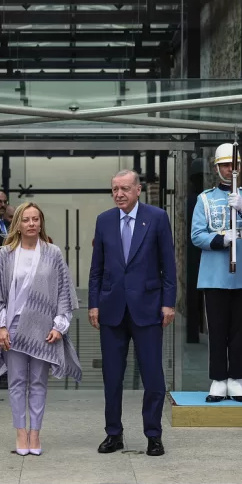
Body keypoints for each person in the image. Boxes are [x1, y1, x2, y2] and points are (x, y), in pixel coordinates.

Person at [88, 169, 176, 457]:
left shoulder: (157, 218)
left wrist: (168, 302)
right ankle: (114, 434)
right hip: (112, 310)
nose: (119, 194)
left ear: (138, 190)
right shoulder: (104, 221)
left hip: (148, 308)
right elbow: (96, 269)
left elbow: (168, 265)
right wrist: (93, 304)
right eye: (114, 189)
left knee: (153, 378)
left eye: (125, 188)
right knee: (112, 378)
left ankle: (153, 435)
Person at [0, 203, 81, 455]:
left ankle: (35, 434)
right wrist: (0, 327)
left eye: (35, 219)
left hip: (43, 327)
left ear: (41, 222)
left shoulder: (53, 253)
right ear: (17, 223)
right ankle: (20, 433)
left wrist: (60, 325)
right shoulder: (5, 254)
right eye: (26, 219)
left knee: (38, 382)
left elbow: (63, 291)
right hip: (13, 328)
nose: (31, 224)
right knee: (17, 382)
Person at [190, 142, 242, 402]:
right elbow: (197, 235)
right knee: (217, 328)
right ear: (216, 168)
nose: (229, 169)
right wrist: (221, 240)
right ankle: (217, 379)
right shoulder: (204, 199)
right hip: (214, 273)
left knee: (238, 329)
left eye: (233, 165)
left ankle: (237, 379)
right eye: (224, 165)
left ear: (240, 167)